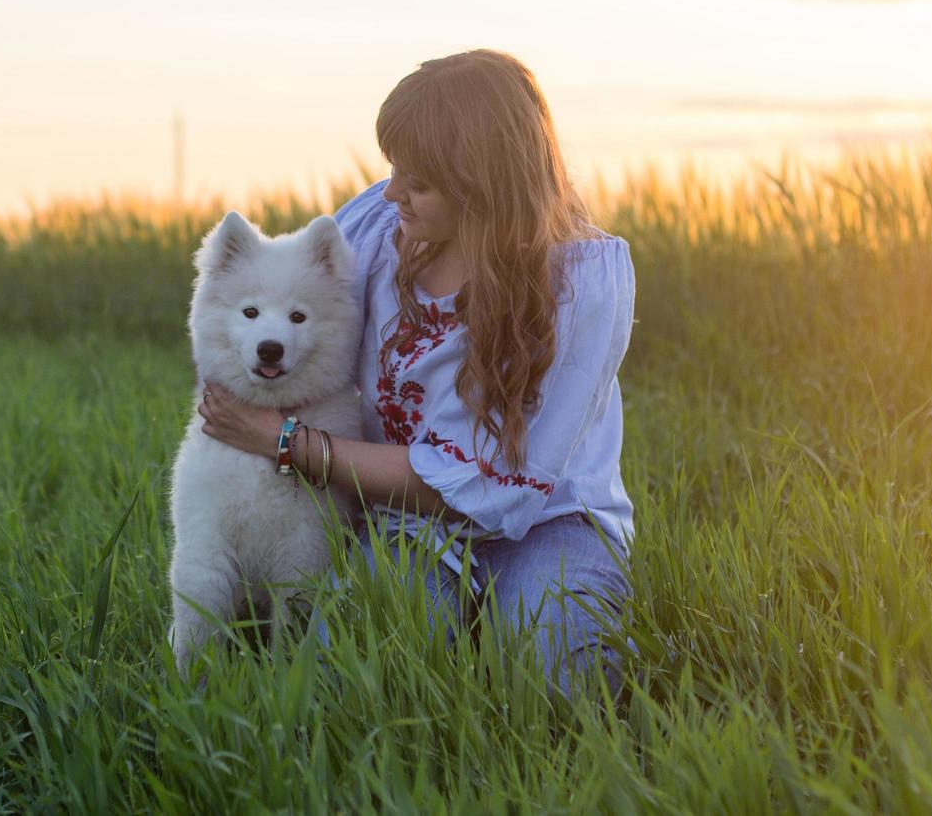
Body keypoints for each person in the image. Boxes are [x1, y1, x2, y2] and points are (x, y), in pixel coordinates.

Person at [197, 49, 635, 695]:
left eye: (420, 180)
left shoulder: (581, 281)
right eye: (395, 169)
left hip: (549, 520)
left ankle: (505, 619)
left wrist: (285, 443)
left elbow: (489, 482)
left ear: (483, 184)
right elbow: (273, 310)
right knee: (349, 692)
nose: (393, 190)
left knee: (551, 686)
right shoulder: (378, 225)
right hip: (402, 522)